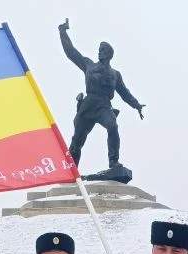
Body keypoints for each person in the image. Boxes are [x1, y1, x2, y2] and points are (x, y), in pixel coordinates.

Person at [58, 19, 145, 169]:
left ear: (109, 54)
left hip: (104, 106)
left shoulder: (115, 74)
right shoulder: (89, 65)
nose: (99, 52)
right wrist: (62, 32)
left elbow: (124, 93)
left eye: (103, 50)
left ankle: (113, 161)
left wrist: (136, 105)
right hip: (88, 105)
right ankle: (71, 170)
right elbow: (71, 52)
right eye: (99, 49)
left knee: (113, 126)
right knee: (77, 141)